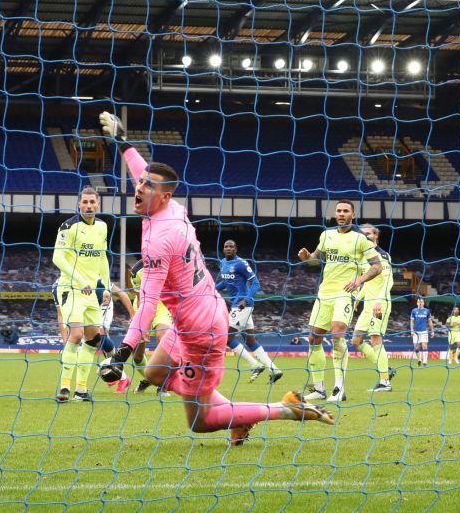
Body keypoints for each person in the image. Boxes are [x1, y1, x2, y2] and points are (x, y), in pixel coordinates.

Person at [95, 111, 333, 446]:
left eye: (147, 186)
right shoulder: (171, 209)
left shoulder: (159, 239)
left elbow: (147, 303)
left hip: (200, 333)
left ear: (163, 196)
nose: (139, 187)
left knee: (201, 422)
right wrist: (123, 144)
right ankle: (234, 413)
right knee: (154, 372)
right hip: (198, 313)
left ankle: (285, 409)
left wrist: (121, 353)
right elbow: (145, 174)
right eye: (140, 183)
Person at [297, 200, 382, 403]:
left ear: (353, 215)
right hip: (324, 292)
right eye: (339, 211)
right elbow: (315, 259)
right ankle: (319, 389)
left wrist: (359, 280)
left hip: (345, 292)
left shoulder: (360, 239)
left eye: (345, 211)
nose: (341, 214)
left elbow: (377, 266)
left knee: (337, 334)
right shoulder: (326, 235)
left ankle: (339, 388)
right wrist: (307, 257)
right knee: (314, 338)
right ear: (335, 214)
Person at [52, 186, 111, 402]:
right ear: (79, 204)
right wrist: (79, 279)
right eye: (85, 202)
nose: (88, 206)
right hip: (71, 288)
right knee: (76, 335)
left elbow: (102, 257)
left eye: (92, 202)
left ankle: (81, 390)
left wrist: (106, 286)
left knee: (94, 339)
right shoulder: (68, 226)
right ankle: (64, 387)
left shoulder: (102, 227)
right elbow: (57, 258)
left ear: (98, 204)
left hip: (91, 292)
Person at [216, 240, 282, 383]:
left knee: (227, 338)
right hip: (236, 305)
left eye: (231, 246)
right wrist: (211, 290)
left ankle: (254, 364)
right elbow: (225, 283)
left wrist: (246, 299)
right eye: (226, 246)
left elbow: (256, 283)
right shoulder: (223, 263)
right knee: (251, 341)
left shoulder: (241, 263)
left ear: (236, 249)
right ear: (223, 249)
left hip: (242, 305)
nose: (228, 248)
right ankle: (275, 370)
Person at [350, 225, 397, 393]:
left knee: (375, 339)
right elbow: (367, 283)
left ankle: (385, 382)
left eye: (368, 233)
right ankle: (385, 369)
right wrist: (358, 299)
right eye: (362, 233)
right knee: (356, 341)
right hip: (368, 306)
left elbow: (389, 281)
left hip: (380, 304)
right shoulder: (365, 256)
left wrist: (379, 300)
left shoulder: (382, 255)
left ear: (376, 235)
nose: (365, 235)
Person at [124, 258, 173, 396]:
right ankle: (149, 379)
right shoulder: (137, 270)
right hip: (143, 305)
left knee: (163, 337)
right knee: (137, 357)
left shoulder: (171, 263)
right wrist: (142, 323)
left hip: (162, 305)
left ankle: (162, 385)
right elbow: (140, 296)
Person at [96, 279, 134, 392]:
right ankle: (118, 373)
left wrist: (132, 314)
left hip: (103, 311)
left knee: (100, 336)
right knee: (101, 343)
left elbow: (122, 294)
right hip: (89, 309)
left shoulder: (101, 280)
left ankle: (120, 376)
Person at [410, 296, 434, 366]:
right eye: (419, 302)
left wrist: (432, 331)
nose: (420, 303)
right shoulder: (414, 311)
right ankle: (419, 359)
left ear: (423, 303)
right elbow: (412, 321)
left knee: (424, 346)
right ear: (417, 303)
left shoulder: (427, 311)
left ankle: (425, 362)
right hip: (416, 332)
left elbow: (429, 321)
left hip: (424, 331)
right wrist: (411, 330)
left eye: (421, 302)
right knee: (416, 348)